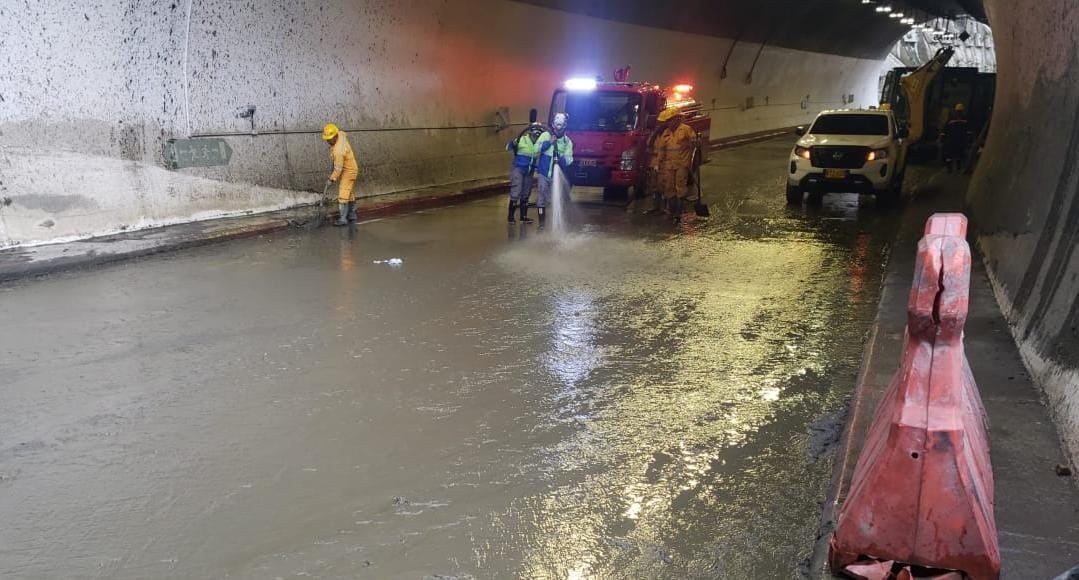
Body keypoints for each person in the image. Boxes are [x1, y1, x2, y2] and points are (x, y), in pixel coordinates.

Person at [654, 107, 698, 223]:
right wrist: (658, 163)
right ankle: (671, 211)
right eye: (667, 121)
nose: (667, 123)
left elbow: (695, 142)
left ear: (676, 119)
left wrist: (696, 143)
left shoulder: (686, 130)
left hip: (682, 164)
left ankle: (678, 213)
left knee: (680, 187)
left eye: (669, 121)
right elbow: (662, 150)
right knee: (669, 188)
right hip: (669, 165)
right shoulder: (666, 133)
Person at [535, 113, 574, 228]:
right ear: (553, 125)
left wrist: (561, 159)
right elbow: (536, 148)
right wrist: (548, 143)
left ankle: (558, 223)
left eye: (560, 128)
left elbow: (569, 159)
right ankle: (542, 225)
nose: (558, 130)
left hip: (556, 176)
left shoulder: (567, 142)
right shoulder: (545, 135)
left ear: (564, 126)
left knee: (557, 199)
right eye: (556, 128)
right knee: (541, 198)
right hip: (544, 173)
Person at [322, 123, 359, 226]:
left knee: (343, 194)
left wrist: (331, 179)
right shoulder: (341, 135)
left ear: (335, 136)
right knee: (349, 193)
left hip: (349, 171)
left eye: (329, 139)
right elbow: (342, 133)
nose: (328, 141)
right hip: (350, 169)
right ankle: (352, 215)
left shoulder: (338, 151)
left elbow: (338, 169)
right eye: (326, 139)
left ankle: (343, 219)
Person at [505, 122, 543, 223]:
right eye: (535, 133)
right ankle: (511, 217)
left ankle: (523, 216)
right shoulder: (522, 139)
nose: (536, 136)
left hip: (529, 171)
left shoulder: (540, 143)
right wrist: (513, 143)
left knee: (526, 193)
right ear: (530, 132)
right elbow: (508, 147)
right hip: (518, 169)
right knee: (516, 191)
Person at [941, 103, 970, 174]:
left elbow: (945, 129)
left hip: (952, 140)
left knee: (951, 155)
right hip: (958, 141)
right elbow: (968, 131)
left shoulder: (952, 119)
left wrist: (942, 137)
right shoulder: (965, 120)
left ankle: (951, 169)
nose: (959, 113)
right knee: (957, 155)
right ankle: (954, 168)